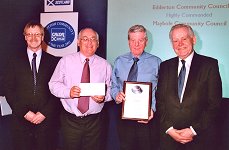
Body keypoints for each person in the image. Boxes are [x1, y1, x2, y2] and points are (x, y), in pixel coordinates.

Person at [156, 24, 222, 150]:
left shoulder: (210, 65)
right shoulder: (165, 66)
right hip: (169, 139)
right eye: (175, 40)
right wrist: (169, 129)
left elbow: (214, 104)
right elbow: (160, 101)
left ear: (194, 39)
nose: (179, 44)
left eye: (184, 39)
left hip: (200, 138)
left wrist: (193, 130)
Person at [49, 28, 112, 150]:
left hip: (95, 121)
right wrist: (68, 92)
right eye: (85, 39)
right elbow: (53, 84)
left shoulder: (105, 65)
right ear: (78, 42)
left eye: (93, 39)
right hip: (70, 120)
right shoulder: (65, 61)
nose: (89, 43)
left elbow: (111, 89)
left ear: (98, 43)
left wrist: (105, 97)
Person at [4, 21, 61, 150]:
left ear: (42, 37)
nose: (33, 38)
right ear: (25, 37)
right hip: (21, 120)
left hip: (46, 121)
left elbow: (58, 90)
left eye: (37, 34)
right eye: (29, 34)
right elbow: (9, 89)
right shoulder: (13, 60)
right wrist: (24, 112)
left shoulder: (55, 61)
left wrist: (44, 113)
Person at [111, 24, 162, 150]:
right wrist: (116, 95)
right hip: (124, 117)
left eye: (140, 40)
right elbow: (113, 86)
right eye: (133, 40)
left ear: (146, 41)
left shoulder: (156, 62)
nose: (136, 44)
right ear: (128, 41)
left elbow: (161, 91)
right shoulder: (119, 61)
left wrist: (153, 109)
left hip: (148, 117)